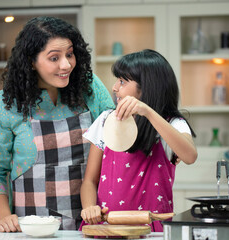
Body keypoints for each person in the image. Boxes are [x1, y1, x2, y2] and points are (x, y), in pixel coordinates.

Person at [0, 16, 115, 232]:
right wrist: (4, 216)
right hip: (33, 229)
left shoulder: (89, 89)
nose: (66, 64)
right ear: (31, 62)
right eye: (54, 58)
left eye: (70, 54)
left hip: (92, 223)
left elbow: (115, 144)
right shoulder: (4, 104)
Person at [79, 49, 198, 232]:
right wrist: (89, 208)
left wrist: (148, 112)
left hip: (151, 230)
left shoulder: (173, 124)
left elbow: (190, 156)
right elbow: (89, 181)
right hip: (105, 227)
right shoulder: (106, 120)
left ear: (147, 87)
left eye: (122, 81)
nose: (114, 87)